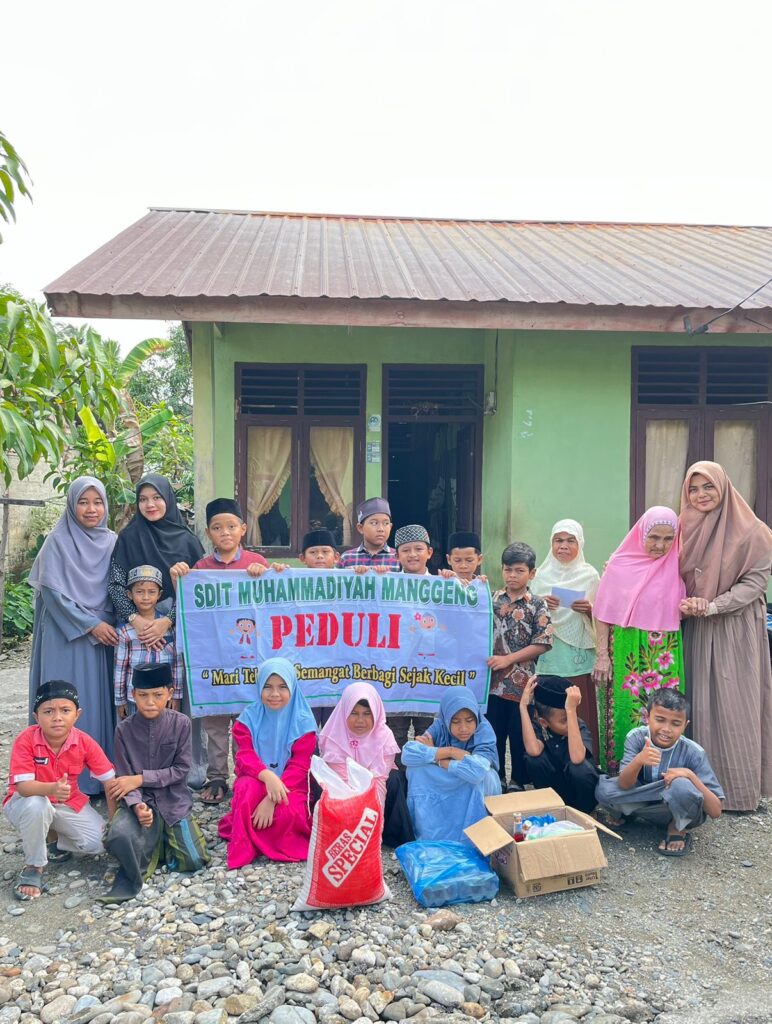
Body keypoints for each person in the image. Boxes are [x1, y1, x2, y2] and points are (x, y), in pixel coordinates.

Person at [678, 461, 772, 812]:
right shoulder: (682, 527)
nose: (700, 495)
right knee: (698, 704)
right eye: (693, 488)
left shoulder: (754, 531)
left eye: (708, 487)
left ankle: (738, 791)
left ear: (724, 489)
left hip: (734, 630)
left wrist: (714, 606)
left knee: (735, 707)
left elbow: (755, 584)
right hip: (696, 628)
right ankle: (698, 789)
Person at [109, 474, 207, 788]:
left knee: (181, 697)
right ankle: (140, 768)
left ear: (168, 498)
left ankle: (189, 767)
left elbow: (200, 588)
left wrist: (169, 621)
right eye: (143, 499)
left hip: (178, 625)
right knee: (140, 696)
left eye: (156, 497)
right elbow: (114, 584)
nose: (150, 504)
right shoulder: (128, 537)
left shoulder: (187, 539)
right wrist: (136, 620)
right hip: (137, 624)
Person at [171, 498, 269, 805]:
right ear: (208, 533)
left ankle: (245, 774)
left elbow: (276, 603)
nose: (224, 533)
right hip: (212, 661)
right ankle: (217, 776)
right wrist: (179, 580)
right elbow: (188, 609)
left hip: (248, 661)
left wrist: (268, 573)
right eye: (217, 528)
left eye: (230, 526)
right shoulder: (200, 568)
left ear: (243, 528)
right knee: (215, 723)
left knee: (245, 721)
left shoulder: (256, 563)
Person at [28, 477, 118, 791]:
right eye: (83, 502)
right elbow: (52, 593)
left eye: (97, 502)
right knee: (59, 701)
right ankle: (52, 781)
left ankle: (93, 779)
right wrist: (91, 624)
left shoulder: (112, 542)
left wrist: (106, 623)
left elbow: (117, 589)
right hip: (64, 635)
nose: (91, 509)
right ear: (71, 505)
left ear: (106, 506)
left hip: (100, 637)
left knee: (91, 703)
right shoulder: (57, 541)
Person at [99, 664, 210, 902]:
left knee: (194, 860)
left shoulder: (181, 724)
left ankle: (161, 842)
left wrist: (141, 778)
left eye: (158, 695)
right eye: (143, 695)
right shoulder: (124, 730)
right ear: (133, 695)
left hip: (173, 800)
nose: (150, 702)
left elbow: (181, 770)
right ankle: (155, 837)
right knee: (118, 836)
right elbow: (123, 778)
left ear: (170, 694)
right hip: (140, 800)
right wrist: (137, 805)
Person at [592, 507, 686, 774]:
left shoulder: (677, 565)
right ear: (640, 534)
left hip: (665, 653)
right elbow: (602, 613)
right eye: (654, 537)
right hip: (626, 650)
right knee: (625, 713)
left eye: (669, 539)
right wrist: (602, 656)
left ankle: (663, 777)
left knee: (665, 712)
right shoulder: (619, 565)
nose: (661, 545)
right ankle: (620, 777)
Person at [4, 681, 116, 900]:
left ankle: (53, 840)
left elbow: (110, 782)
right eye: (48, 711)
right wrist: (52, 788)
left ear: (77, 714)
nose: (57, 717)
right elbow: (24, 788)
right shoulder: (26, 739)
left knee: (100, 843)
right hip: (24, 802)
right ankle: (33, 867)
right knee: (39, 805)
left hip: (67, 802)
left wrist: (114, 823)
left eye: (65, 710)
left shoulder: (85, 742)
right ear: (37, 717)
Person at [596, 687, 723, 856]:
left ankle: (677, 827)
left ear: (685, 725)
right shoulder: (636, 738)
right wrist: (639, 760)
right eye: (660, 720)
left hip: (677, 808)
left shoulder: (694, 752)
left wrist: (690, 775)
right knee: (604, 789)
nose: (666, 729)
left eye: (675, 723)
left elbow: (715, 811)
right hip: (645, 799)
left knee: (682, 786)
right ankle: (632, 813)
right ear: (647, 718)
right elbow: (624, 784)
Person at [218, 658, 317, 867]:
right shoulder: (248, 718)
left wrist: (272, 799)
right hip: (257, 778)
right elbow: (244, 755)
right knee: (245, 790)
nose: (274, 694)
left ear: (292, 687)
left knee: (288, 814)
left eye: (282, 687)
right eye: (267, 687)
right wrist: (268, 776)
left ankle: (252, 833)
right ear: (259, 687)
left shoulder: (303, 722)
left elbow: (300, 766)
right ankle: (245, 846)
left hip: (292, 786)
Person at [487, 542, 553, 791]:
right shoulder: (490, 599)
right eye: (507, 570)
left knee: (519, 732)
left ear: (532, 573)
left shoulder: (537, 604)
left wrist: (509, 659)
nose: (512, 575)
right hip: (491, 684)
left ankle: (518, 780)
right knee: (494, 731)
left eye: (518, 570)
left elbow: (543, 642)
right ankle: (497, 778)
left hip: (522, 684)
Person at [533, 519, 601, 755]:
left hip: (578, 653)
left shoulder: (590, 575)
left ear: (580, 543)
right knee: (549, 705)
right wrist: (541, 605)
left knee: (579, 703)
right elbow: (530, 611)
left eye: (570, 540)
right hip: (551, 652)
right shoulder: (539, 575)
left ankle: (586, 758)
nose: (563, 546)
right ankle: (549, 759)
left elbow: (603, 613)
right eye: (558, 540)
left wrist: (590, 609)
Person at [319, 682, 414, 846]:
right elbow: (343, 784)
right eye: (354, 713)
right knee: (322, 784)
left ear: (376, 713)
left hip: (374, 792)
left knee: (394, 779)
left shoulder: (384, 737)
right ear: (344, 713)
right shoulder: (335, 737)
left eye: (367, 713)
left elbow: (378, 782)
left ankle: (388, 834)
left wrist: (373, 828)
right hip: (344, 791)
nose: (360, 720)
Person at [402, 687, 501, 841]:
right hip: (454, 775)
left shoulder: (484, 730)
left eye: (469, 721)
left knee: (481, 777)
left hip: (476, 782)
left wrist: (438, 757)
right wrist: (450, 751)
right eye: (455, 722)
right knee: (416, 770)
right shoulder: (440, 726)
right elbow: (408, 754)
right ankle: (428, 832)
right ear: (447, 718)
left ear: (476, 717)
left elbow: (476, 771)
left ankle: (474, 837)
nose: (463, 728)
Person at [519, 675, 599, 814]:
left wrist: (571, 711)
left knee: (579, 769)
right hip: (556, 791)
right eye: (563, 721)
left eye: (571, 716)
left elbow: (577, 758)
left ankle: (586, 813)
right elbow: (533, 751)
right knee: (534, 760)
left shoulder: (578, 725)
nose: (569, 722)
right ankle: (549, 807)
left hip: (580, 794)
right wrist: (523, 707)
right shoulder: (539, 726)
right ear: (543, 722)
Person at [389, 525, 436, 751]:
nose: (413, 554)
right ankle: (397, 784)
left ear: (430, 553)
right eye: (406, 550)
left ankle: (422, 783)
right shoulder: (386, 585)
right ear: (397, 555)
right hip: (395, 674)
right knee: (394, 734)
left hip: (429, 673)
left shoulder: (445, 585)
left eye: (419, 549)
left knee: (426, 733)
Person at [114, 566, 183, 717]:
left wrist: (176, 694)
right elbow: (120, 668)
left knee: (164, 734)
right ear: (129, 594)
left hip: (163, 696)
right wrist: (120, 700)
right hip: (136, 697)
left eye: (151, 592)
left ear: (160, 595)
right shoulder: (126, 631)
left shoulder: (169, 628)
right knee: (136, 734)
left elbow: (177, 662)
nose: (146, 597)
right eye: (139, 592)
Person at [338, 498, 399, 570]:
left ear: (390, 527)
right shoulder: (346, 558)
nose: (381, 529)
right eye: (374, 523)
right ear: (360, 528)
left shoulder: (398, 558)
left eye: (386, 523)